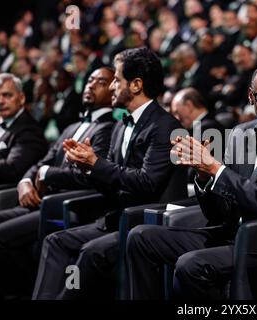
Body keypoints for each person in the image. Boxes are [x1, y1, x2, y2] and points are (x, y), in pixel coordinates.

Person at [126, 62, 257, 300]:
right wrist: (203, 176)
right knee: (140, 237)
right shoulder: (240, 133)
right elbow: (218, 211)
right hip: (229, 232)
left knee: (191, 264)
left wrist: (214, 168)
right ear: (251, 96)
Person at [32, 47, 185, 299]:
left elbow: (147, 183)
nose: (113, 86)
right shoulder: (120, 125)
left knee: (90, 252)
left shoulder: (166, 127)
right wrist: (87, 166)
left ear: (136, 85)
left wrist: (96, 164)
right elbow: (111, 180)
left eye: (117, 80)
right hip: (115, 219)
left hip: (145, 225)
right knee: (55, 241)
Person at [0, 67, 116, 298]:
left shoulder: (108, 129)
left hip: (66, 205)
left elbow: (87, 176)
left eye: (100, 82)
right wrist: (26, 181)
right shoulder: (72, 126)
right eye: (90, 79)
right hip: (40, 199)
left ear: (113, 91)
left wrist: (46, 173)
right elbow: (42, 162)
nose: (90, 85)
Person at [0, 73, 47, 185]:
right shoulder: (3, 120)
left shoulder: (30, 130)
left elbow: (13, 169)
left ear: (21, 98)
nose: (0, 101)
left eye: (7, 95)